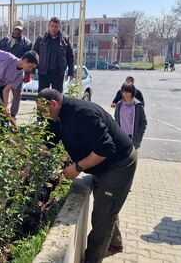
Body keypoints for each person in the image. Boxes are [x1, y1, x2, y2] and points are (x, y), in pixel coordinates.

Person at [37, 88, 137, 262]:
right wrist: (34, 156)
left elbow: (106, 149)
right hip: (103, 164)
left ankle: (92, 259)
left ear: (54, 104)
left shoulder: (83, 114)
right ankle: (115, 244)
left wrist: (78, 167)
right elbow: (49, 141)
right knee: (108, 206)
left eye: (43, 110)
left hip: (118, 164)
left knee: (102, 217)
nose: (42, 115)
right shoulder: (57, 116)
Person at [0, 20, 33, 117]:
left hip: (18, 72)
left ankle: (13, 114)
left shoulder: (27, 43)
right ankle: (1, 112)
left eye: (19, 29)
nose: (17, 31)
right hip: (3, 70)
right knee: (1, 92)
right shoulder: (4, 40)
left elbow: (29, 60)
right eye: (16, 29)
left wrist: (28, 74)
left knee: (16, 94)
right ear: (13, 28)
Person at [32, 17, 74, 93]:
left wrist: (71, 72)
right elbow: (34, 55)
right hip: (43, 73)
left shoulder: (65, 40)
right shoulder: (41, 39)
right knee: (42, 95)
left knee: (57, 96)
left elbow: (70, 57)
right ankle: (42, 106)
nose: (54, 28)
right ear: (48, 26)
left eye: (56, 26)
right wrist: (32, 71)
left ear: (59, 27)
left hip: (58, 73)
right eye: (52, 26)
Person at [114, 82, 147, 150]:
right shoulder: (119, 105)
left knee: (132, 157)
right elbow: (116, 119)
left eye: (128, 92)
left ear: (132, 92)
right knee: (122, 157)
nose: (125, 94)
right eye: (123, 92)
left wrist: (139, 136)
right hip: (122, 136)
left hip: (133, 137)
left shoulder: (138, 106)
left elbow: (143, 122)